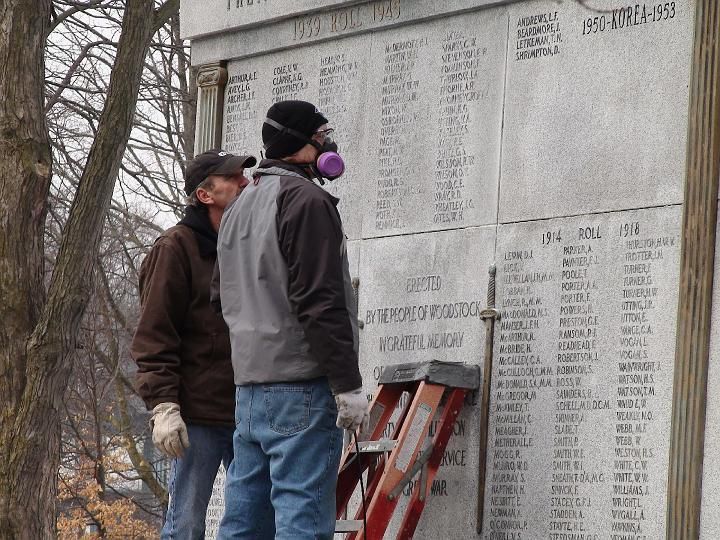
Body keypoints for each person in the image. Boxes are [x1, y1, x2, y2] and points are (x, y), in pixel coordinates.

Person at [215, 100, 368, 540]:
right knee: (303, 523)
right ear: (299, 146)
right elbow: (321, 301)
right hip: (300, 389)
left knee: (244, 523)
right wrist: (347, 384)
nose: (327, 144)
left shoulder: (239, 206)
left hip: (248, 391)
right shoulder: (307, 200)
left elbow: (218, 297)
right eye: (320, 135)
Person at [131, 149, 256, 539]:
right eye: (233, 177)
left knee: (253, 522)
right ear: (205, 195)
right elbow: (155, 334)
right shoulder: (174, 248)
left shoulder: (247, 244)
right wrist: (163, 406)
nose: (245, 182)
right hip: (196, 415)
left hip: (248, 408)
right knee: (185, 524)